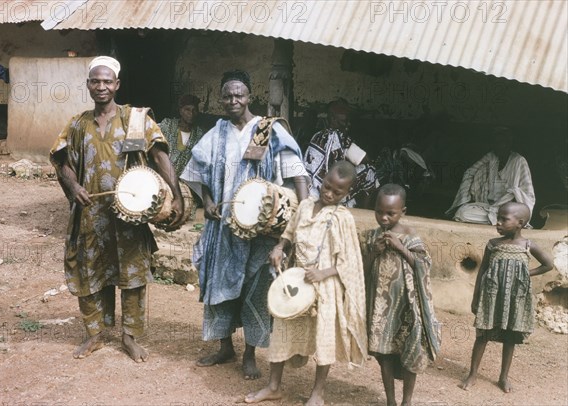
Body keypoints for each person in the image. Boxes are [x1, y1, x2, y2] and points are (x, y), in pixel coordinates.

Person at [49, 56, 185, 362]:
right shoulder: (77, 124)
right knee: (89, 273)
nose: (101, 87)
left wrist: (175, 194)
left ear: (117, 85)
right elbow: (63, 163)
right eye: (95, 81)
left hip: (129, 219)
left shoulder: (135, 119)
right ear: (88, 85)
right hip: (90, 217)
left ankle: (129, 337)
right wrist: (73, 188)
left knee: (133, 275)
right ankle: (95, 334)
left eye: (107, 81)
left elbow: (161, 155)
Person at [181, 69, 309, 380]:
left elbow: (297, 173)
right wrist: (208, 202)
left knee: (255, 291)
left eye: (239, 94)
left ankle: (250, 354)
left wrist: (303, 215)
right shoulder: (218, 131)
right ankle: (225, 346)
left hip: (261, 232)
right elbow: (198, 170)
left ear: (250, 96)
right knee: (218, 288)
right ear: (221, 98)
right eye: (227, 95)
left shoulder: (269, 130)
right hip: (223, 230)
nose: (233, 100)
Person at [245, 161, 368, 406]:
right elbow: (289, 235)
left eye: (338, 192)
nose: (330, 193)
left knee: (323, 341)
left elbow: (351, 263)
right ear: (322, 179)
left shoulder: (343, 218)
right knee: (281, 332)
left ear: (347, 194)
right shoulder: (305, 206)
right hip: (295, 283)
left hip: (325, 288)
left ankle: (317, 394)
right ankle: (273, 387)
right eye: (327, 186)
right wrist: (280, 247)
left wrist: (323, 273)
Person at [460, 202, 553, 393]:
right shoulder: (493, 244)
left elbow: (548, 264)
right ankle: (472, 374)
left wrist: (527, 273)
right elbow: (482, 271)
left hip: (515, 298)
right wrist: (476, 297)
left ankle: (503, 377)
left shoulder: (527, 245)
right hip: (491, 296)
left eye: (504, 219)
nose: (498, 222)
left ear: (520, 223)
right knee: (482, 334)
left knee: (510, 336)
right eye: (498, 218)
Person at [361, 184, 441, 406]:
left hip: (407, 308)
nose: (384, 218)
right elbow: (361, 271)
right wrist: (374, 252)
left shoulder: (410, 237)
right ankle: (390, 401)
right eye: (379, 212)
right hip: (380, 310)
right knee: (384, 353)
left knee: (409, 351)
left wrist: (400, 248)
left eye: (390, 213)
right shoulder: (371, 237)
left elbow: (424, 266)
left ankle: (406, 401)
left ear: (402, 212)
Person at [446, 126, 535, 225]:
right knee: (462, 213)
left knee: (512, 215)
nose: (500, 146)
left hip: (510, 209)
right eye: (497, 143)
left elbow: (528, 194)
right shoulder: (491, 157)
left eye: (503, 142)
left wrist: (513, 196)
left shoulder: (519, 161)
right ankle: (502, 222)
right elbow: (470, 171)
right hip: (489, 208)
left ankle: (504, 221)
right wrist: (468, 195)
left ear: (510, 143)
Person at [304, 99, 379, 208]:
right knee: (370, 170)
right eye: (345, 121)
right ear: (333, 119)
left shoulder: (318, 135)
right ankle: (364, 212)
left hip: (309, 186)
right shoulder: (339, 137)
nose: (348, 124)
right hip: (326, 190)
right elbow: (364, 158)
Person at [158, 94, 205, 176]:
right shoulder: (167, 125)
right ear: (180, 111)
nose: (191, 113)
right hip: (162, 174)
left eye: (194, 110)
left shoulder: (199, 134)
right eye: (187, 109)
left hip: (183, 180)